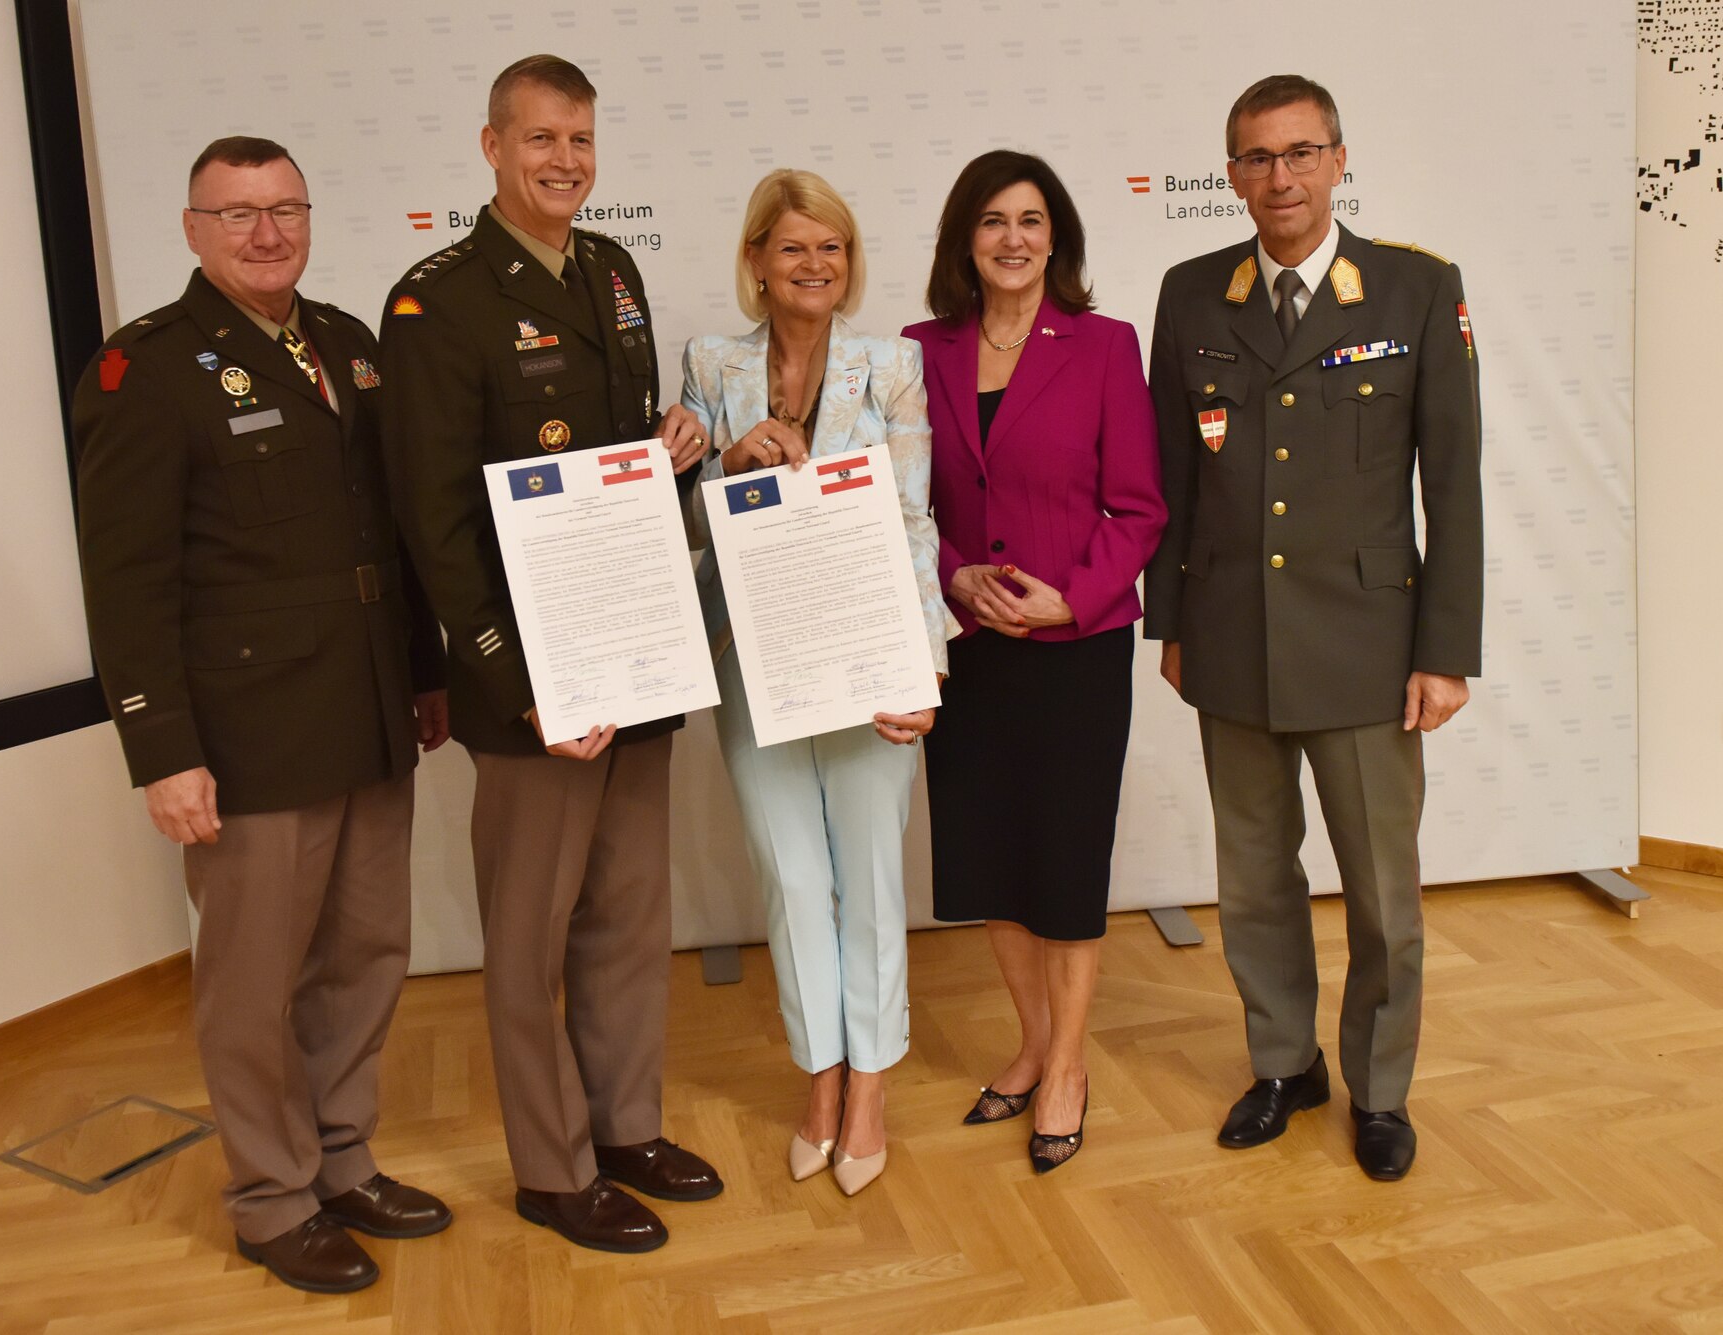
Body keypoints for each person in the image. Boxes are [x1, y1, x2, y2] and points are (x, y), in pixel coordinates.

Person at [71, 136, 453, 1294]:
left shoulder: (345, 343)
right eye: (236, 214)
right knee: (253, 983)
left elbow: (391, 529)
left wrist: (426, 675)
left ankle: (341, 1161)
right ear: (191, 227)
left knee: (366, 956)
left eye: (284, 208)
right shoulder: (147, 370)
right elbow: (125, 581)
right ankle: (270, 1198)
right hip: (246, 737)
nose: (266, 232)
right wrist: (163, 750)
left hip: (368, 712)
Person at [375, 55, 720, 1254]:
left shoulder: (613, 272)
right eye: (540, 140)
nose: (563, 161)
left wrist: (669, 437)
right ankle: (550, 1168)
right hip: (530, 675)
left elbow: (609, 457)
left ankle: (624, 1127)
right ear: (490, 147)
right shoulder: (436, 301)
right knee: (530, 933)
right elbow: (433, 520)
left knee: (628, 912)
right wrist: (513, 685)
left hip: (634, 645)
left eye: (579, 139)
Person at [1142, 74, 1484, 1182]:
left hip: (1368, 646)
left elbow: (1456, 486)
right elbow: (1171, 482)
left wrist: (1444, 649)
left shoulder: (1414, 290)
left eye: (1298, 153)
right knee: (1251, 880)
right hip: (1230, 636)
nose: (1276, 177)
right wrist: (1171, 622)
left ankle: (1379, 1090)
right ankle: (1283, 1064)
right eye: (1253, 157)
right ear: (1229, 173)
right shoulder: (1191, 294)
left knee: (1381, 893)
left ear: (1338, 159)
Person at [680, 169, 952, 1197]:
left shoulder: (892, 366)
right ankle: (819, 1078)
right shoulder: (709, 363)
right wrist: (730, 469)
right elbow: (685, 520)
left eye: (830, 248)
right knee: (792, 883)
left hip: (870, 654)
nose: (813, 266)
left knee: (869, 881)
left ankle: (870, 1086)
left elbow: (915, 517)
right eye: (792, 248)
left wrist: (924, 663)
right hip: (755, 663)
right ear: (756, 259)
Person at [903, 151, 1166, 1174]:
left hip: (1072, 648)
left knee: (1061, 856)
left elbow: (1139, 506)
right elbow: (899, 501)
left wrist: (1077, 595)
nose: (1011, 238)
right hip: (966, 650)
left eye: (1028, 219)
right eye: (989, 222)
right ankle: (1027, 1042)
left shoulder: (1102, 346)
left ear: (1055, 236)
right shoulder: (917, 351)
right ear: (962, 241)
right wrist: (956, 574)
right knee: (988, 857)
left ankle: (1065, 1066)